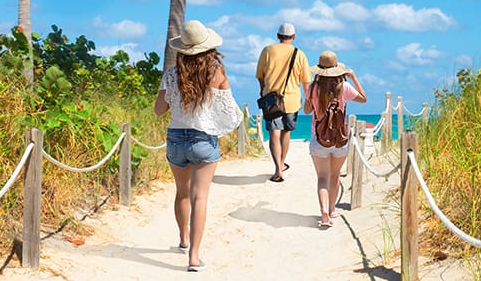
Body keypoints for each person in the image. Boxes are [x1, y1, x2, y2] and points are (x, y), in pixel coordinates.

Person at [154, 20, 242, 273]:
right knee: (199, 197)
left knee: (182, 193)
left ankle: (183, 240)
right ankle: (193, 257)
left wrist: (173, 97)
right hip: (202, 140)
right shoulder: (216, 73)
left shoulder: (172, 75)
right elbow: (230, 111)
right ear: (208, 48)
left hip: (175, 139)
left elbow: (159, 110)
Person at [304, 50, 367, 227]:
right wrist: (353, 77)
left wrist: (310, 95)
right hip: (340, 139)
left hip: (319, 139)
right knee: (335, 175)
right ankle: (332, 209)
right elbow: (363, 99)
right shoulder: (344, 87)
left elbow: (307, 111)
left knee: (322, 177)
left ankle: (324, 213)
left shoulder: (313, 88)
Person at [255, 22, 311, 182]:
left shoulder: (267, 50)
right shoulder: (299, 54)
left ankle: (278, 168)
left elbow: (260, 75)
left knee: (274, 133)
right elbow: (306, 81)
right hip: (292, 99)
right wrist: (309, 99)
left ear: (278, 36)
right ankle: (281, 163)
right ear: (293, 36)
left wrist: (263, 90)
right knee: (286, 132)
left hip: (272, 99)